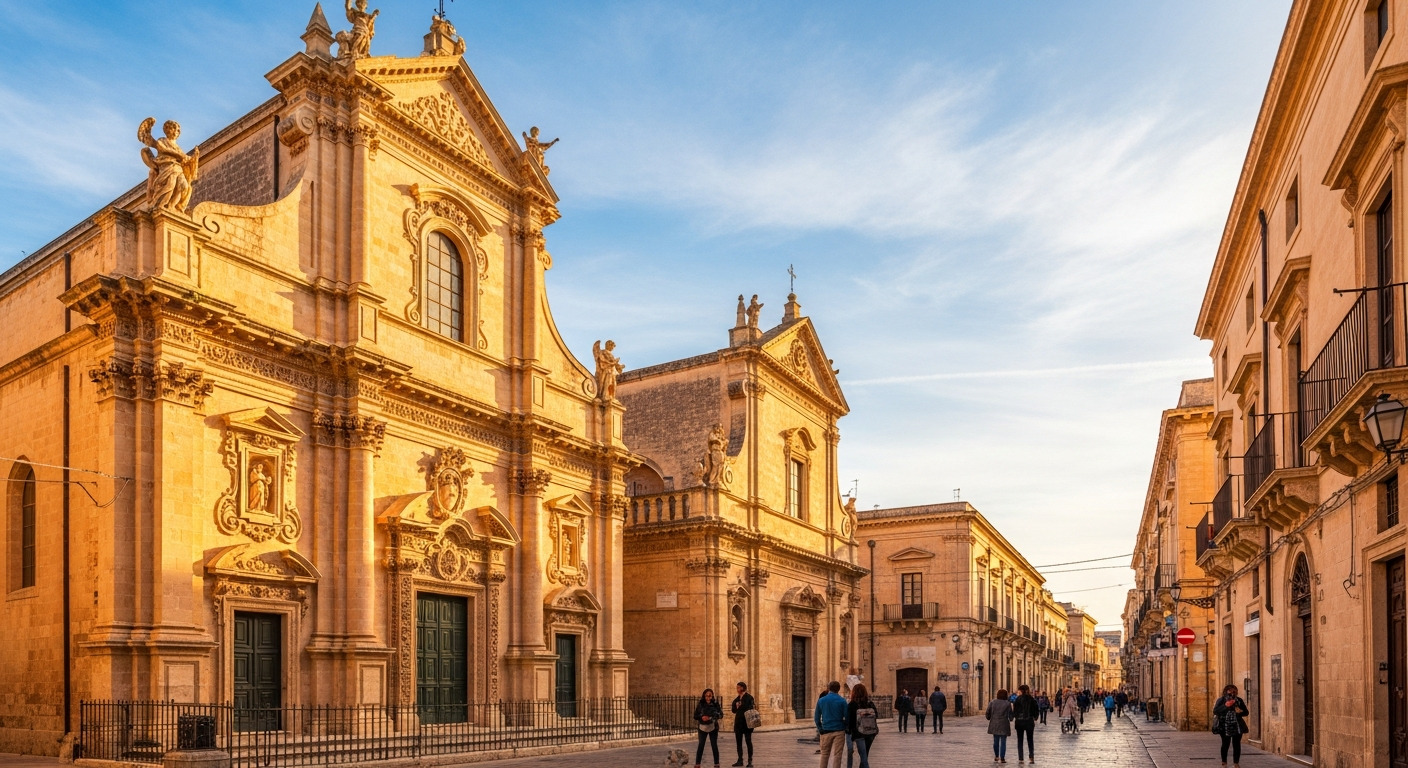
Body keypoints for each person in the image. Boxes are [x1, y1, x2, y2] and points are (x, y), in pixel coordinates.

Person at [1212, 685, 1249, 768]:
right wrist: (1226, 706)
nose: (1232, 693)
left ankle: (1236, 763)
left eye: (1234, 691)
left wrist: (1240, 711)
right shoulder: (1221, 700)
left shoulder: (1239, 700)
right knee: (1225, 744)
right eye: (1230, 691)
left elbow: (1246, 712)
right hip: (1224, 726)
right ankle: (1224, 763)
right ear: (1226, 691)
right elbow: (1215, 711)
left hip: (1237, 725)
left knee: (1236, 744)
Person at [815, 680, 848, 768]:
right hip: (839, 730)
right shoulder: (842, 701)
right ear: (838, 689)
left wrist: (820, 728)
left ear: (829, 688)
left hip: (826, 730)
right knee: (837, 755)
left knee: (824, 754)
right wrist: (844, 726)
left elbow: (816, 717)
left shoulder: (821, 700)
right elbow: (847, 717)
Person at [846, 683, 879, 768]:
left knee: (863, 757)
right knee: (865, 754)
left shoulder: (852, 704)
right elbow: (876, 715)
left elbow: (850, 720)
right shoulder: (870, 703)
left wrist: (849, 733)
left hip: (859, 733)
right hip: (871, 732)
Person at [694, 688, 723, 768]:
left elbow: (721, 714)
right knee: (701, 745)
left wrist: (710, 718)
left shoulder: (715, 704)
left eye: (710, 696)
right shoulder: (700, 704)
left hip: (713, 727)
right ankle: (697, 763)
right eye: (706, 696)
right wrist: (701, 717)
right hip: (702, 727)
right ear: (704, 696)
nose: (708, 697)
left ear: (712, 696)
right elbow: (695, 715)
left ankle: (716, 763)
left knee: (714, 745)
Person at [730, 681, 755, 768]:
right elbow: (733, 710)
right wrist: (736, 706)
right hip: (738, 724)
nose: (737, 689)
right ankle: (740, 760)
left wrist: (741, 705)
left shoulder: (749, 697)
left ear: (742, 688)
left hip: (747, 723)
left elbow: (750, 707)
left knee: (748, 742)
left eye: (738, 687)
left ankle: (750, 761)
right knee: (739, 742)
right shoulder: (736, 699)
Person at [986, 688, 1014, 763]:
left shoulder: (992, 702)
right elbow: (1011, 715)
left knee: (996, 740)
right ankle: (1002, 758)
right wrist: (1011, 719)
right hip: (1004, 723)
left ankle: (996, 756)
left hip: (994, 723)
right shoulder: (1008, 703)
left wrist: (989, 717)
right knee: (1003, 742)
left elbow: (988, 712)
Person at [1012, 685, 1038, 764]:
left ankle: (1021, 758)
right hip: (1029, 722)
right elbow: (1036, 710)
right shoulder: (1032, 699)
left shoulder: (1017, 699)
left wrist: (1016, 717)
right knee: (1030, 740)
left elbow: (1015, 711)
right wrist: (1035, 717)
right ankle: (1031, 757)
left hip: (1019, 722)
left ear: (1021, 691)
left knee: (1020, 740)